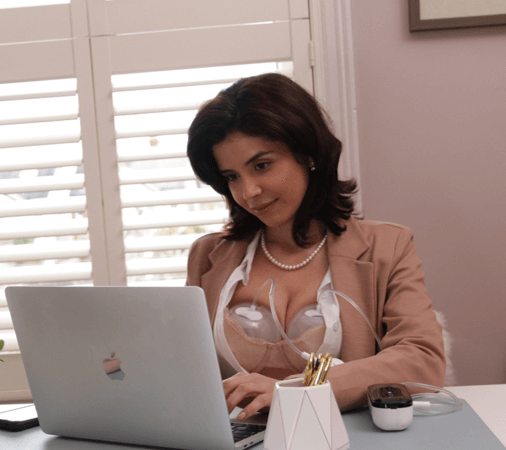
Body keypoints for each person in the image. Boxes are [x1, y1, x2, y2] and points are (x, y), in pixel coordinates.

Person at [186, 73, 445, 418]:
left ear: (308, 154)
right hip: (234, 446)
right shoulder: (208, 256)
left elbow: (423, 360)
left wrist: (298, 388)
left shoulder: (387, 246)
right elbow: (185, 366)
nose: (248, 192)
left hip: (341, 445)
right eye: (232, 177)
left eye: (262, 166)